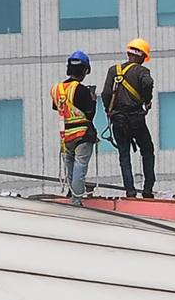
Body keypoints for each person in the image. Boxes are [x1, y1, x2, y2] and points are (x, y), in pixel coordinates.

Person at [101, 38, 155, 198]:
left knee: (124, 154)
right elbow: (148, 83)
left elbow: (105, 94)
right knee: (147, 150)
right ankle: (148, 188)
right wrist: (146, 100)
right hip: (136, 118)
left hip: (118, 119)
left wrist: (109, 111)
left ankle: (130, 191)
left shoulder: (113, 70)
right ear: (142, 57)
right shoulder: (141, 71)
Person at [50, 50, 97, 207]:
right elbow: (89, 114)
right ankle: (76, 201)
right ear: (84, 70)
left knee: (70, 167)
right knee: (80, 168)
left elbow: (58, 108)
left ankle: (72, 193)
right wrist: (93, 100)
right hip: (82, 134)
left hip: (66, 136)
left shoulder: (56, 89)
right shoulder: (81, 90)